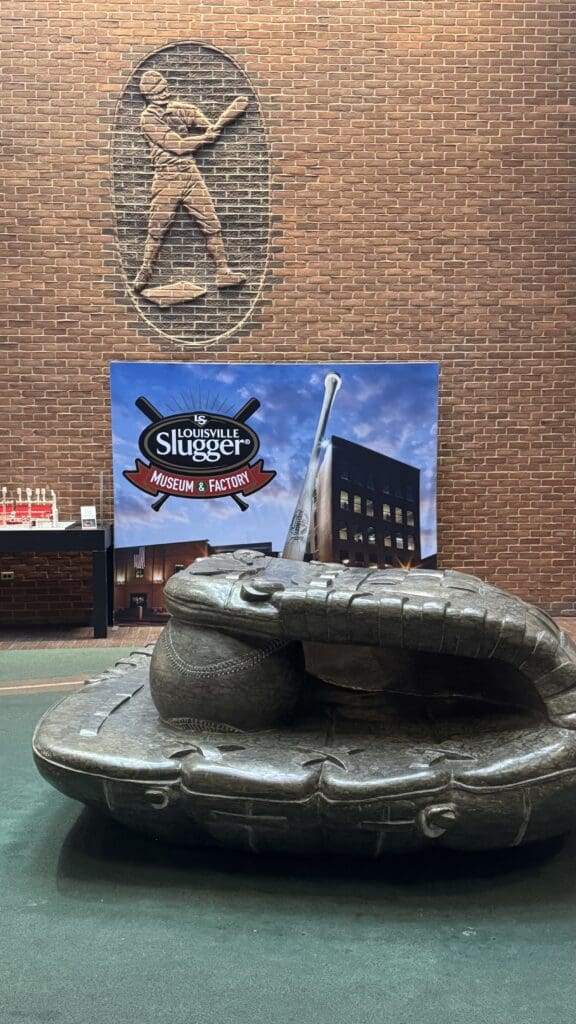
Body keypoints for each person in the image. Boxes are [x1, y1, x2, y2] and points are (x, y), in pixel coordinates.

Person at [133, 70, 245, 293]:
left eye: (164, 89)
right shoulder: (148, 118)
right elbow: (177, 145)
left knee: (211, 223)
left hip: (190, 174)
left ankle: (223, 272)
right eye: (158, 92)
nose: (164, 94)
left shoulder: (179, 108)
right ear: (148, 95)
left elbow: (196, 118)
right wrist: (205, 139)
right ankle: (146, 269)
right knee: (157, 228)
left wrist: (208, 127)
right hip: (166, 177)